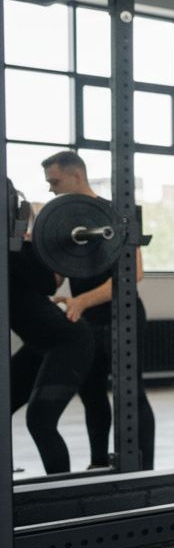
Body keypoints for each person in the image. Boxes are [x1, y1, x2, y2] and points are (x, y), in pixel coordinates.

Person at [42, 150, 156, 469]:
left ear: (76, 175)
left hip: (124, 317)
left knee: (131, 394)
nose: (51, 189)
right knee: (91, 393)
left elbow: (133, 275)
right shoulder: (64, 221)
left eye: (55, 181)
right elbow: (56, 274)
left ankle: (143, 469)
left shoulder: (116, 212)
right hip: (87, 322)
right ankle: (98, 464)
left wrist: (81, 300)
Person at [8, 179, 95, 474]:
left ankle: (61, 491)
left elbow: (47, 281)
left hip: (68, 341)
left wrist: (32, 244)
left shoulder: (15, 248)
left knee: (40, 420)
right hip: (40, 343)